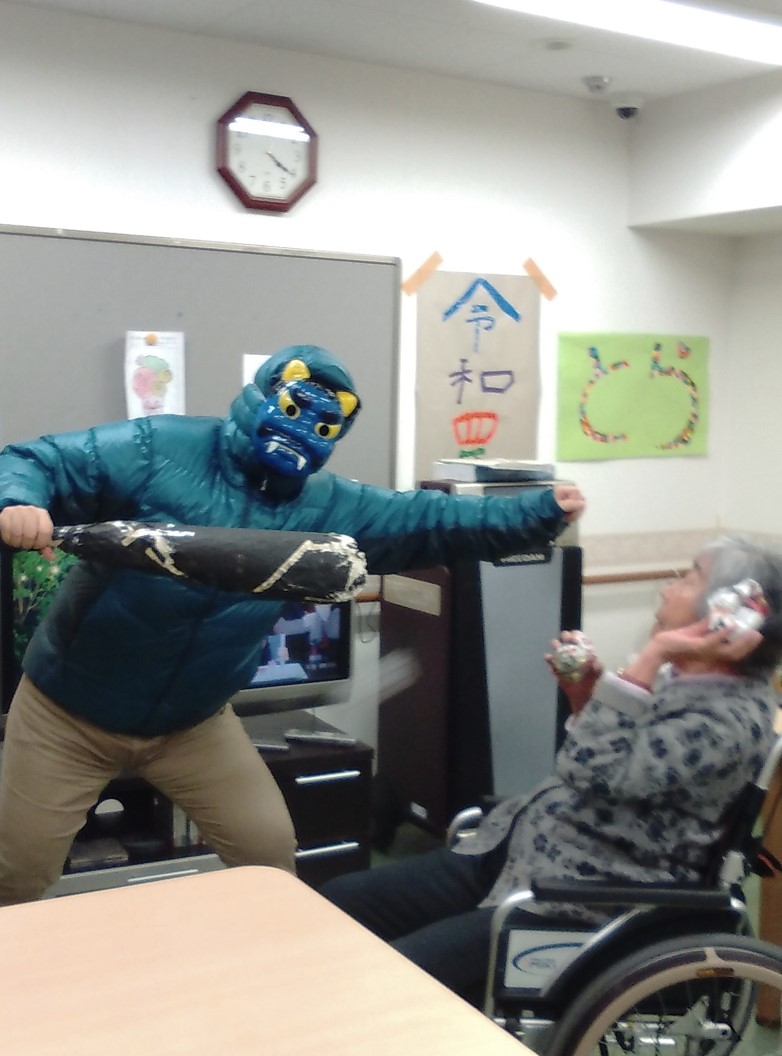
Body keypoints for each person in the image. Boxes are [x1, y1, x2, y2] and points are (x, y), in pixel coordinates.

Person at [0, 344, 585, 906]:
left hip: (191, 723)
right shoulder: (160, 447)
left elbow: (435, 520)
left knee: (269, 858)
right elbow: (35, 459)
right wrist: (18, 500)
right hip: (69, 713)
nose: (304, 429)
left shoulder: (328, 505)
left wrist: (539, 510)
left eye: (325, 423)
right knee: (17, 875)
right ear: (263, 396)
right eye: (295, 407)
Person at [320, 536, 782, 1004]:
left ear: (731, 615)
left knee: (392, 983)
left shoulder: (726, 720)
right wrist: (585, 696)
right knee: (336, 905)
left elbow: (592, 768)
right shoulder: (684, 681)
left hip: (578, 898)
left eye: (689, 577)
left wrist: (652, 653)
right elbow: (614, 766)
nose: (669, 587)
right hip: (520, 851)